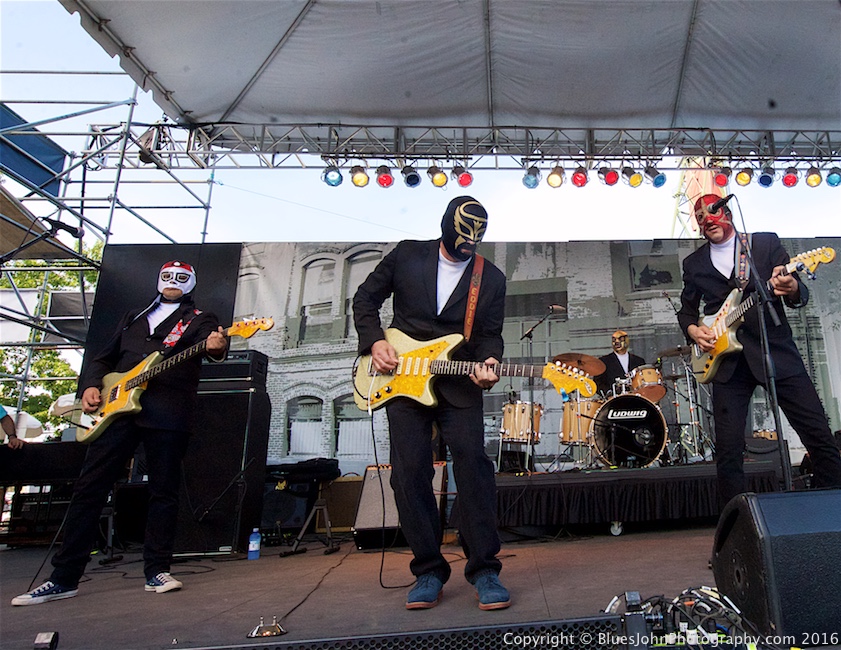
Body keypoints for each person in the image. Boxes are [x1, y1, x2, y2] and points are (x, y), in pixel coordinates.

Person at [12, 260, 227, 606]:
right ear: (158, 280)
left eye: (181, 278)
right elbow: (103, 357)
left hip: (167, 412)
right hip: (116, 412)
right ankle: (63, 577)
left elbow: (213, 345)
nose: (173, 282)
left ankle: (157, 570)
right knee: (89, 488)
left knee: (163, 491)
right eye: (167, 276)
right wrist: (91, 386)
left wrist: (218, 346)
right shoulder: (134, 316)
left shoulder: (201, 318)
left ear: (191, 283)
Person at [352, 196, 510, 611]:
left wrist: (490, 359)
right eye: (460, 238)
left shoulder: (489, 278)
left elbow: (490, 333)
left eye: (473, 241)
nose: (466, 247)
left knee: (473, 466)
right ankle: (428, 570)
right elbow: (364, 301)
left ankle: (485, 569)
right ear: (445, 227)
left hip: (458, 383)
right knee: (407, 473)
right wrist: (376, 342)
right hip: (401, 378)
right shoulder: (407, 254)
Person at [677, 194, 841, 508]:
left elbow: (795, 290)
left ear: (726, 211)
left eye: (711, 212)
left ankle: (832, 512)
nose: (706, 220)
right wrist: (694, 330)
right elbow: (686, 312)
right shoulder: (694, 263)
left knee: (818, 433)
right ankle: (734, 531)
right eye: (699, 217)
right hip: (727, 362)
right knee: (728, 451)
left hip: (774, 350)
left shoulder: (763, 245)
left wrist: (792, 287)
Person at [593, 330, 647, 396]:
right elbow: (598, 383)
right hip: (614, 401)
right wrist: (609, 392)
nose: (616, 342)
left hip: (636, 400)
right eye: (614, 340)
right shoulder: (603, 361)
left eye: (620, 339)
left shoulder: (639, 361)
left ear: (626, 341)